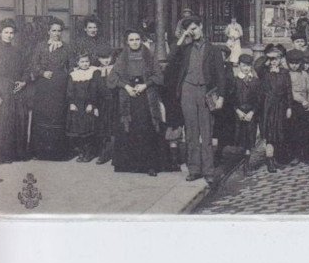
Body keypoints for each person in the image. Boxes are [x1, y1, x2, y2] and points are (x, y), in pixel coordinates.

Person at [167, 16, 227, 184]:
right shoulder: (185, 49)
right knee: (191, 133)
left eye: (194, 28)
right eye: (189, 30)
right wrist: (183, 36)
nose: (193, 32)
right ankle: (194, 169)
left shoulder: (213, 50)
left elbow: (221, 76)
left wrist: (221, 96)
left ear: (201, 26)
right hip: (187, 91)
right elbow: (171, 57)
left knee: (206, 132)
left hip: (206, 93)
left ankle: (208, 170)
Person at [110, 30, 166, 176]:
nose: (134, 42)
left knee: (146, 128)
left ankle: (150, 165)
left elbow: (159, 76)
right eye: (131, 40)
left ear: (141, 40)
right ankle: (132, 165)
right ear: (127, 42)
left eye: (137, 39)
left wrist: (145, 85)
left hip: (145, 97)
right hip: (129, 97)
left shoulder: (149, 56)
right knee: (130, 128)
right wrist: (127, 87)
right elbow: (112, 78)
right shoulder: (123, 57)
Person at [28, 18, 71, 160]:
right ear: (48, 31)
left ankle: (56, 153)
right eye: (54, 30)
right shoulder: (40, 46)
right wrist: (42, 72)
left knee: (57, 116)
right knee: (43, 115)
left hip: (59, 86)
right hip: (44, 86)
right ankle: (40, 152)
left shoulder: (66, 47)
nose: (57, 33)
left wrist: (65, 77)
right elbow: (33, 64)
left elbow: (71, 66)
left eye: (59, 31)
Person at [0, 18, 29, 163]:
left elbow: (26, 69)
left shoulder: (18, 51)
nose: (9, 35)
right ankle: (4, 155)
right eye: (6, 32)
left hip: (17, 89)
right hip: (2, 89)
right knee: (5, 121)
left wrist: (23, 81)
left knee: (19, 119)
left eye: (11, 32)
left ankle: (18, 153)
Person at [258, 44, 292, 172]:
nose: (273, 62)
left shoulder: (284, 73)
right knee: (270, 134)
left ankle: (277, 158)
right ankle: (269, 160)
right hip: (268, 106)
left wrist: (289, 107)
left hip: (281, 106)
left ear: (280, 59)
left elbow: (288, 90)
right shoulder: (265, 72)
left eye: (276, 59)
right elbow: (258, 69)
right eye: (271, 59)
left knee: (280, 132)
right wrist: (266, 61)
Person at [285, 49, 309, 165]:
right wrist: (302, 100)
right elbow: (290, 91)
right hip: (293, 105)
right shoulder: (286, 75)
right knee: (294, 132)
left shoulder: (304, 74)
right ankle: (296, 155)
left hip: (305, 107)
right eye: (291, 63)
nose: (294, 66)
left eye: (297, 63)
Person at [66, 51, 100, 162]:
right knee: (78, 129)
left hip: (87, 105)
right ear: (78, 63)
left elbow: (94, 90)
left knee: (88, 129)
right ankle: (81, 152)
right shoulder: (74, 74)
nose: (85, 64)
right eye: (82, 62)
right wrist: (71, 102)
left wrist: (91, 103)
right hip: (77, 105)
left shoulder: (93, 72)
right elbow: (70, 90)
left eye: (87, 61)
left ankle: (89, 153)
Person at [232, 53, 260, 172]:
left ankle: (246, 164)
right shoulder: (236, 80)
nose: (246, 68)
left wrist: (252, 112)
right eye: (244, 65)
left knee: (249, 138)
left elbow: (259, 99)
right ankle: (240, 160)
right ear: (239, 65)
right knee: (240, 138)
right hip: (238, 113)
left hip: (250, 114)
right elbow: (231, 98)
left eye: (248, 66)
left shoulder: (255, 81)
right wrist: (237, 111)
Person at [93, 46, 118, 165]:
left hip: (114, 102)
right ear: (98, 59)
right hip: (102, 104)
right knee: (103, 128)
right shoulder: (97, 72)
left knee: (115, 127)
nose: (106, 61)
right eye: (103, 58)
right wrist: (95, 106)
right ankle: (104, 153)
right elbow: (94, 91)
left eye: (108, 57)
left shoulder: (116, 69)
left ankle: (115, 153)